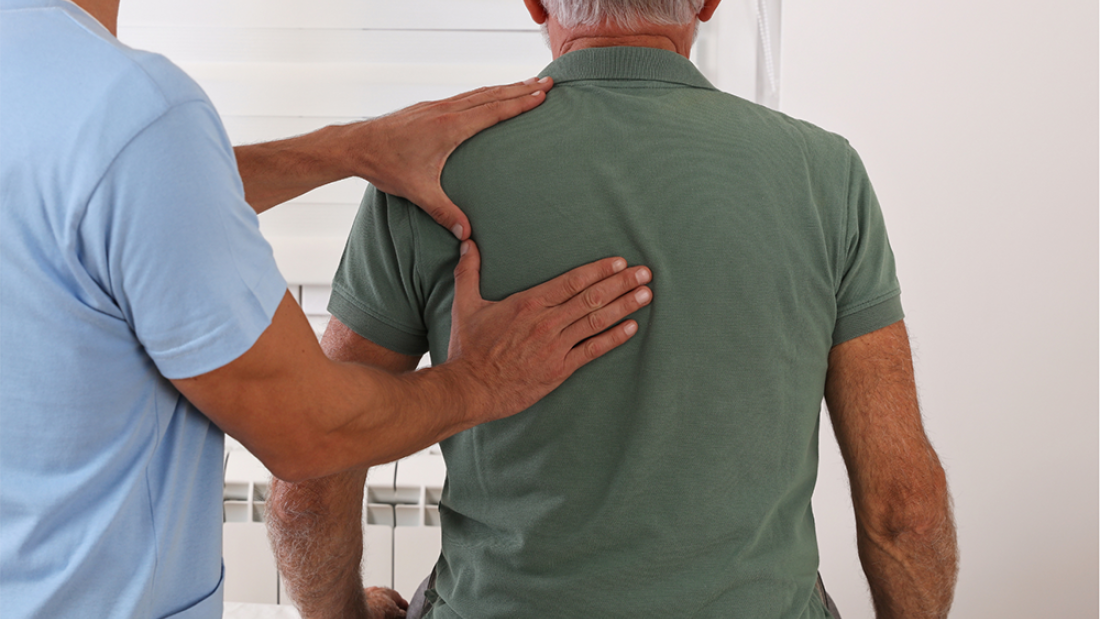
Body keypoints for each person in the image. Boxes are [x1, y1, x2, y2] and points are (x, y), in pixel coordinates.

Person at [268, 1, 961, 618]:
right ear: (710, 3)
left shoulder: (423, 168)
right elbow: (905, 509)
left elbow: (309, 484)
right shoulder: (825, 175)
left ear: (536, 3)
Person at [0, 0, 656, 617]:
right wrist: (481, 379)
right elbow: (308, 434)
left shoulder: (78, 110)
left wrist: (347, 149)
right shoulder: (126, 110)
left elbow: (105, 195)